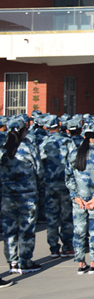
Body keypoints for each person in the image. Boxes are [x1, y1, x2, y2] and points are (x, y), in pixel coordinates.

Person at [0, 116, 43, 275]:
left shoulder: (3, 148)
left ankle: (12, 262)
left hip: (7, 195)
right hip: (27, 195)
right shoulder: (29, 147)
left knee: (9, 229)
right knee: (26, 229)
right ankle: (25, 262)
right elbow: (39, 171)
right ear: (23, 130)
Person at [65, 122, 94, 274]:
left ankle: (81, 263)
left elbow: (68, 177)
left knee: (79, 231)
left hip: (79, 199)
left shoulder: (74, 153)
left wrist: (75, 196)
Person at [37, 114, 74, 259]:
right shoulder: (67, 142)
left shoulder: (44, 143)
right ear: (59, 125)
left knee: (52, 218)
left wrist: (43, 180)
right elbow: (74, 162)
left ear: (46, 127)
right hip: (65, 184)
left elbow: (40, 165)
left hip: (49, 185)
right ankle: (67, 246)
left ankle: (53, 248)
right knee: (66, 216)